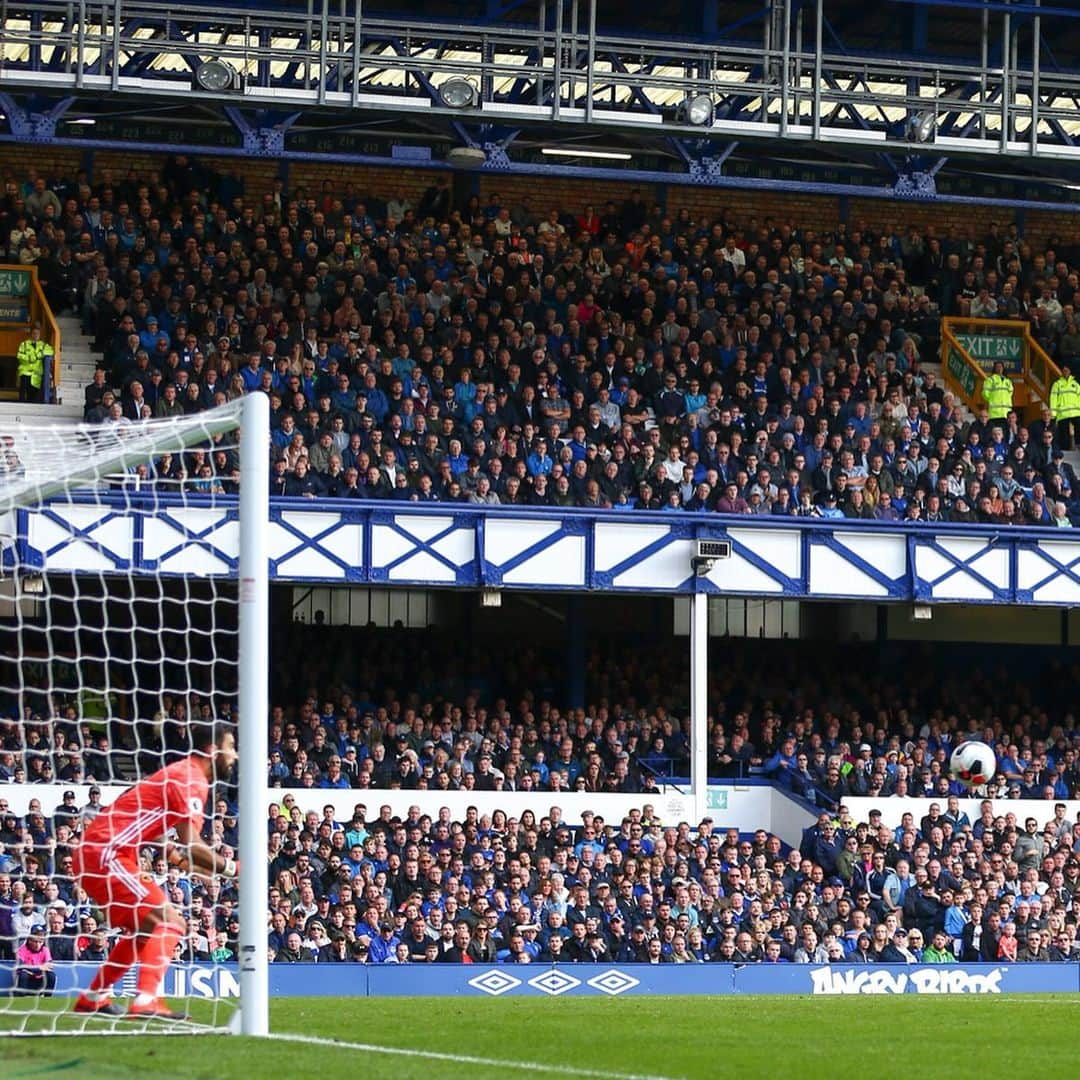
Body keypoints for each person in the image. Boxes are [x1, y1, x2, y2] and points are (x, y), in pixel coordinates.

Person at [71, 721, 238, 1019]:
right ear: (213, 750)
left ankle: (93, 997)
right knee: (171, 921)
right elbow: (192, 845)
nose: (235, 756)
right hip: (106, 852)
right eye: (231, 747)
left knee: (146, 928)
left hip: (103, 851)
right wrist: (233, 868)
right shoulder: (192, 779)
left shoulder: (179, 774)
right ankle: (146, 1000)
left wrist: (174, 855)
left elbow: (153, 824)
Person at [14, 922, 56, 996]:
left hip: (39, 981)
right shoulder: (22, 950)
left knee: (51, 975)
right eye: (35, 942)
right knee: (24, 974)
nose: (38, 945)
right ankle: (21, 998)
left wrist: (32, 970)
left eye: (40, 942)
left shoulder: (45, 950)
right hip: (27, 981)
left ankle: (47, 998)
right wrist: (39, 968)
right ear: (30, 940)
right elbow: (20, 965)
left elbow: (49, 966)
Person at [16, 323, 54, 403]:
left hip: (36, 374)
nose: (35, 335)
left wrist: (40, 354)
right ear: (31, 334)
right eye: (34, 333)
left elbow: (51, 351)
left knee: (33, 396)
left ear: (40, 334)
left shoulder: (43, 345)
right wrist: (30, 358)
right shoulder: (24, 344)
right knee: (23, 394)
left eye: (37, 333)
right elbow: (19, 356)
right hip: (25, 372)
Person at [1050, 362, 1080, 451]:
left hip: (1076, 412)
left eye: (1067, 370)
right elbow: (1053, 398)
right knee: (1063, 433)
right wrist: (1053, 413)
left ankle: (1078, 445)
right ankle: (1065, 449)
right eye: (1064, 370)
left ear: (1070, 371)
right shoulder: (1057, 384)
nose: (1065, 372)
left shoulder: (1076, 384)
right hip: (1062, 413)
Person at [981, 360, 1013, 425]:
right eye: (997, 367)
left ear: (1003, 368)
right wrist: (992, 399)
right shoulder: (991, 380)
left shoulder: (1008, 381)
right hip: (994, 414)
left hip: (1006, 413)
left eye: (1001, 367)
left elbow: (1010, 393)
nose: (999, 368)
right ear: (994, 369)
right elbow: (985, 393)